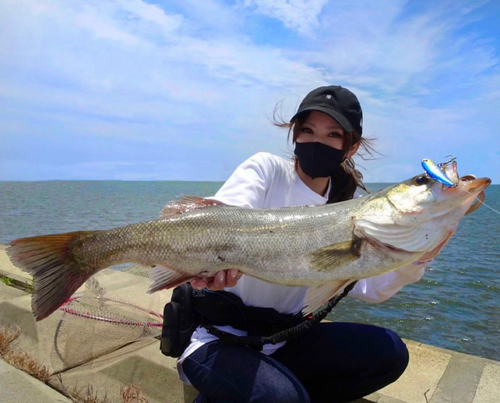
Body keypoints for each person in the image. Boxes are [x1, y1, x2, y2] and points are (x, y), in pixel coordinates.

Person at [177, 85, 427, 403]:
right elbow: (226, 211)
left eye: (333, 135)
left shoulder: (346, 209)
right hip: (217, 340)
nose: (316, 142)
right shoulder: (267, 170)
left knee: (390, 353)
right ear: (295, 133)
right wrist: (207, 256)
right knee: (281, 398)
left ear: (350, 147)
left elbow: (369, 288)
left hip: (286, 340)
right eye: (307, 130)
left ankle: (274, 388)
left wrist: (421, 254)